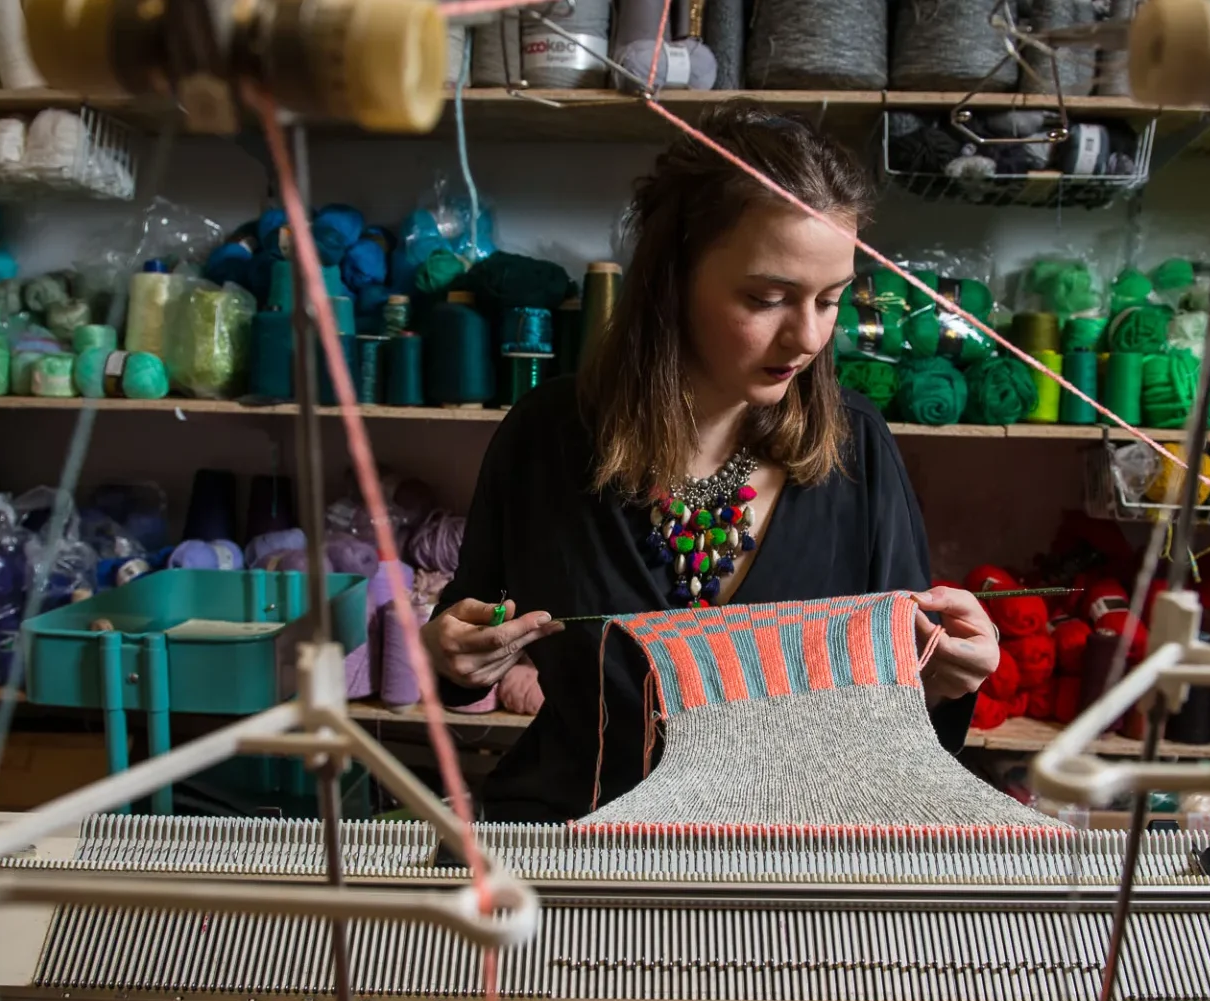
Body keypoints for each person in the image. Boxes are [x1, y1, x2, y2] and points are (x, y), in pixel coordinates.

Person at [425, 101, 1000, 823]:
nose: (808, 335)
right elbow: (468, 631)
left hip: (786, 868)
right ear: (674, 277)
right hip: (574, 851)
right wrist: (454, 654)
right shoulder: (546, 437)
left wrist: (947, 681)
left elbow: (897, 724)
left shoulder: (858, 451)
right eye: (767, 298)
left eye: (830, 300)